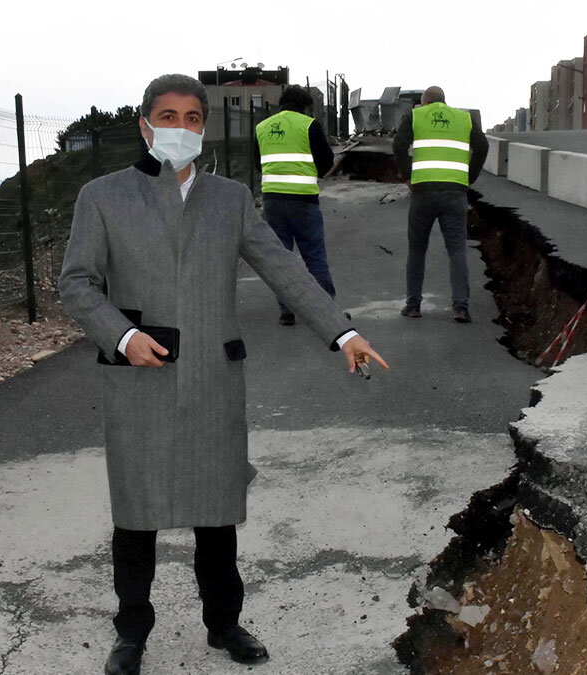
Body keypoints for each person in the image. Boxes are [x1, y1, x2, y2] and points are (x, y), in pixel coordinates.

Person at [58, 74, 388, 675]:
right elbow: (76, 283)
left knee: (216, 512)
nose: (178, 127)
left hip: (213, 376)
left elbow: (284, 269)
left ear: (202, 127)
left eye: (190, 117)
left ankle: (224, 624)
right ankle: (131, 632)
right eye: (167, 115)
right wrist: (123, 336)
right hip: (138, 379)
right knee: (137, 513)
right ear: (144, 124)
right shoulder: (102, 197)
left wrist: (343, 332)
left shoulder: (230, 200)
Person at [392, 85, 489, 323]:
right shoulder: (463, 118)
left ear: (425, 102)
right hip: (455, 192)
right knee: (456, 249)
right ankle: (460, 307)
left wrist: (408, 176)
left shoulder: (416, 115)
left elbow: (398, 145)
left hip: (423, 191)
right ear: (444, 101)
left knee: (417, 249)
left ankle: (413, 305)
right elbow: (483, 146)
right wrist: (469, 177)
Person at [255, 85, 336, 327]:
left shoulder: (262, 127)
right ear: (304, 106)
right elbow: (326, 161)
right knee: (314, 255)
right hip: (303, 201)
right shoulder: (309, 125)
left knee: (281, 258)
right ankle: (326, 310)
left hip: (273, 201)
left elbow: (259, 164)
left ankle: (286, 311)